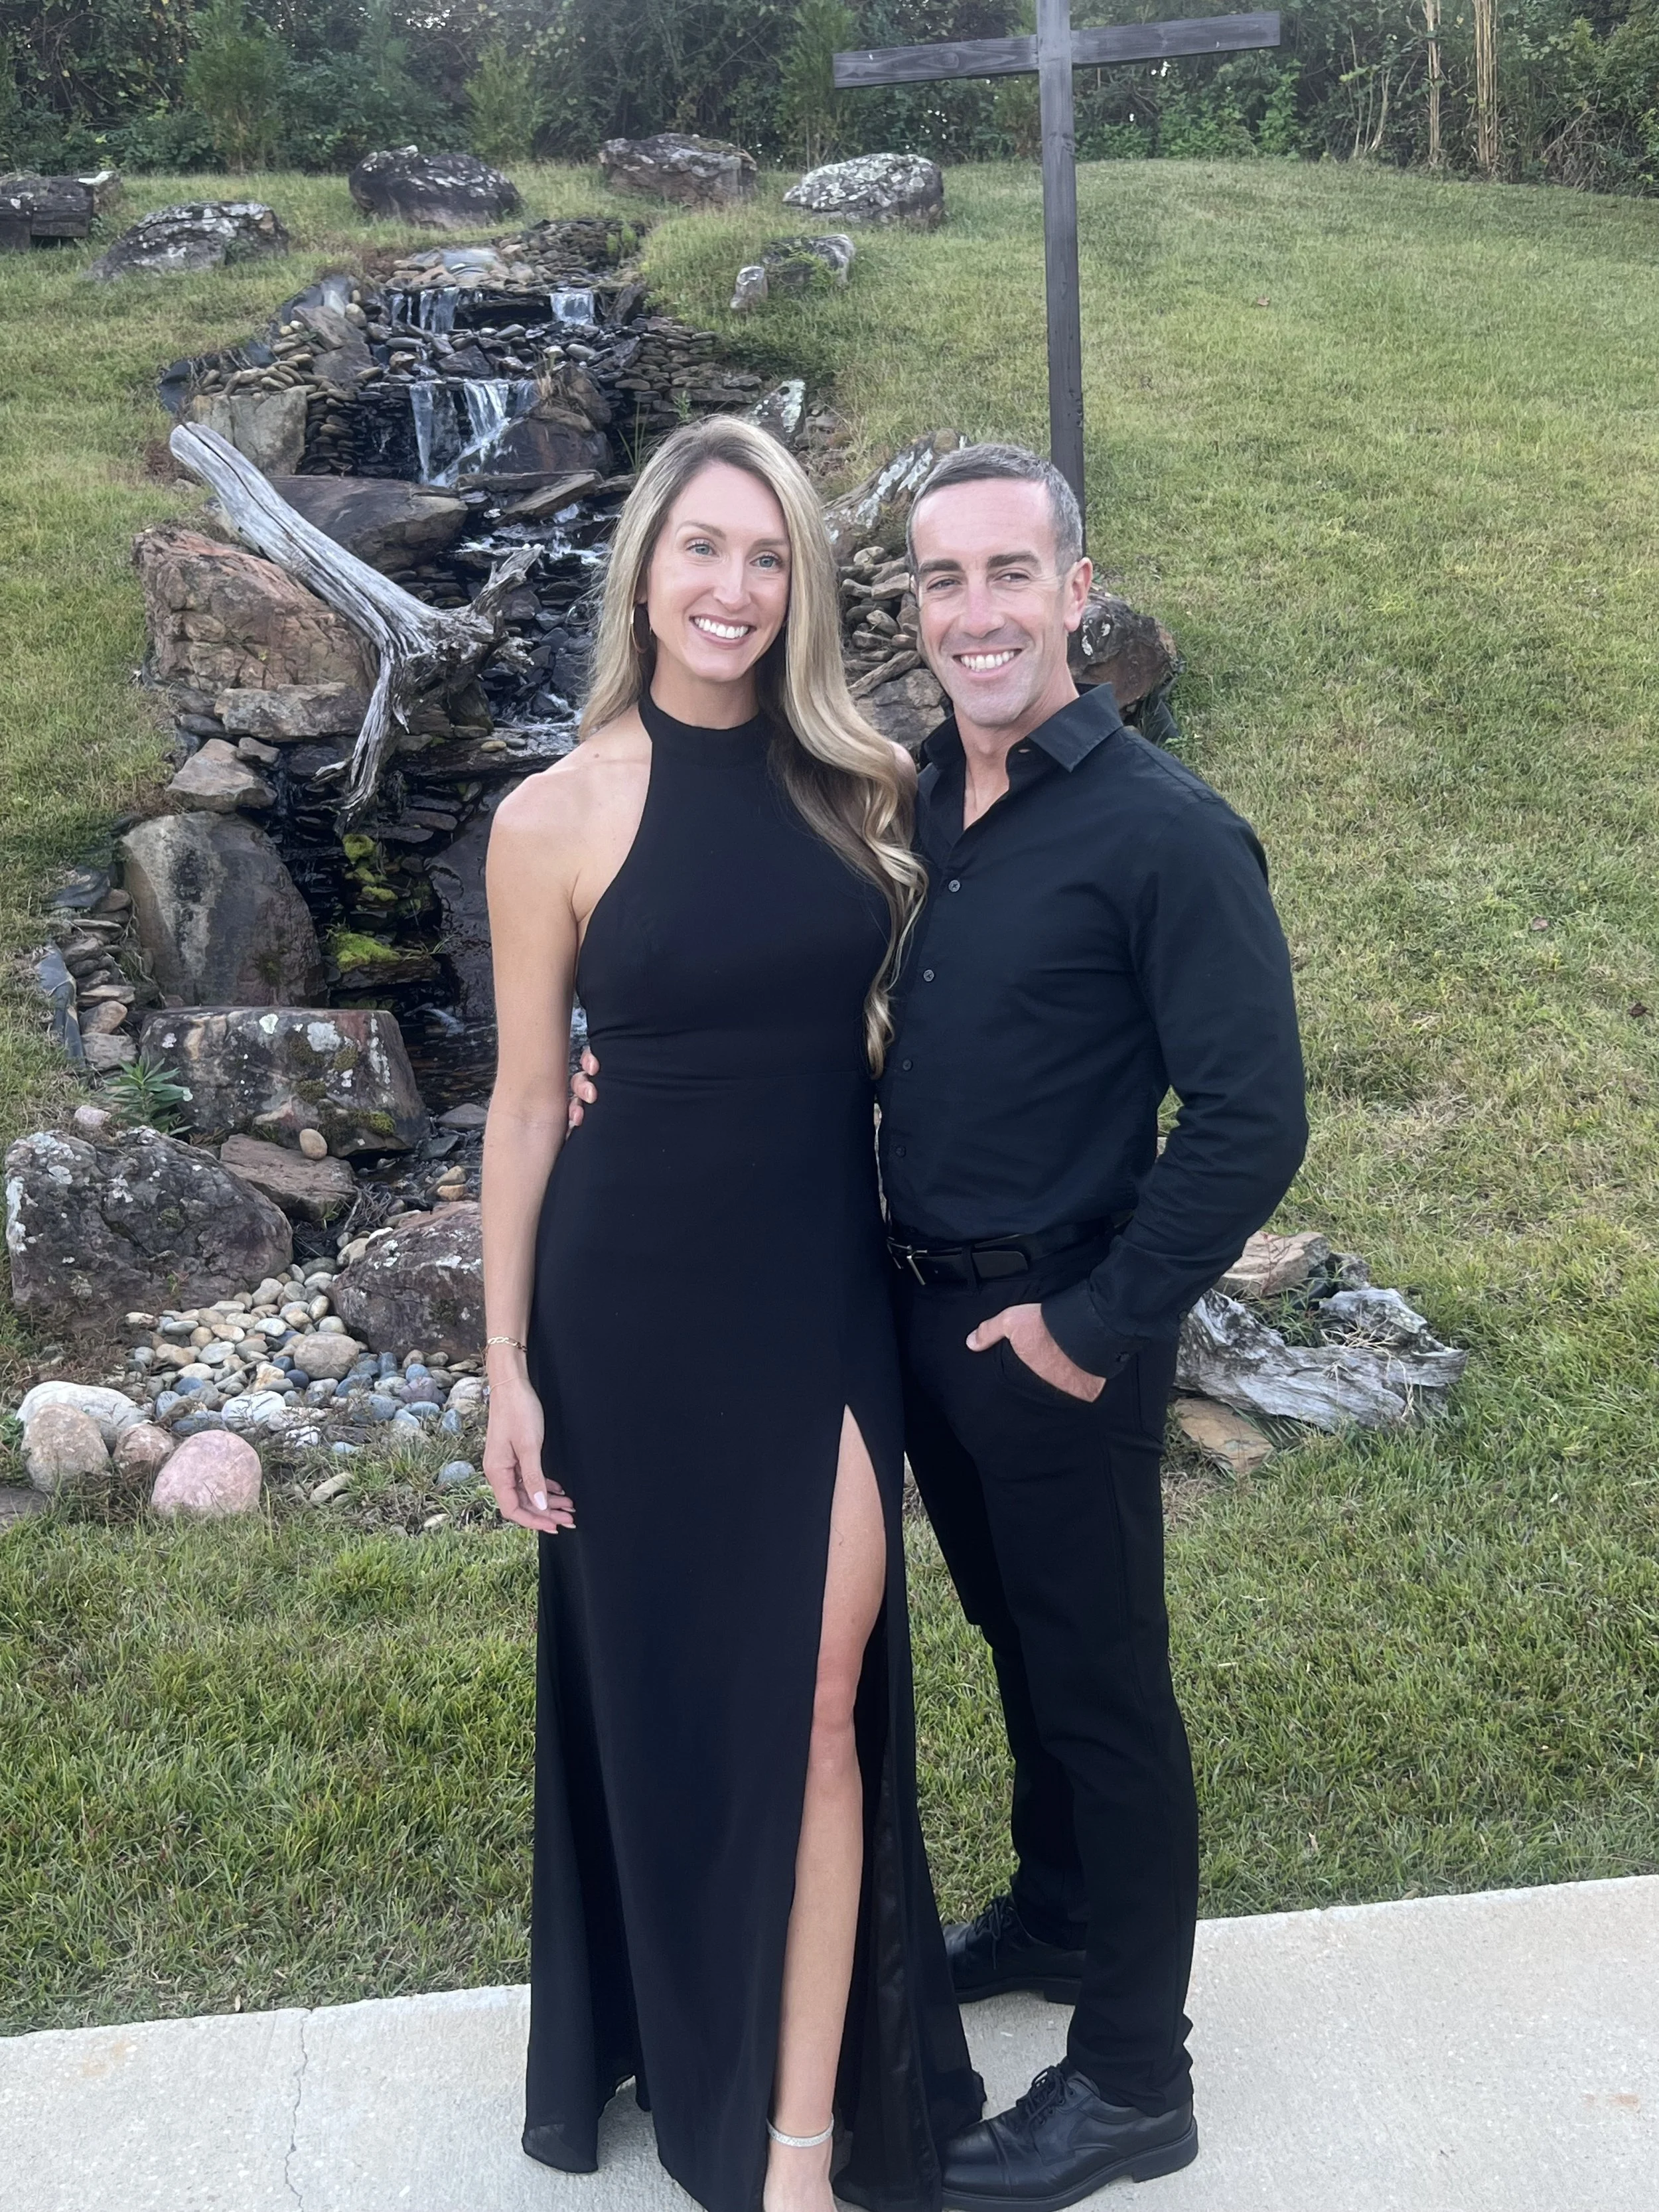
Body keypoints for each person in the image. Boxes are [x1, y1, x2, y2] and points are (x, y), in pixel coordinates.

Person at [574, 441, 1307, 2206]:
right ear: (912, 605)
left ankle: (1137, 2075)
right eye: (940, 578)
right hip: (903, 1324)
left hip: (1052, 1335)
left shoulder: (1165, 831)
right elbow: (764, 961)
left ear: (1074, 591)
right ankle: (1057, 1914)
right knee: (1017, 1649)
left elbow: (1252, 1114)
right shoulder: (909, 798)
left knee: (1102, 1687)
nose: (973, 609)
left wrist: (1098, 1321)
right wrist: (627, 1062)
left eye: (1007, 573)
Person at [478, 414, 983, 2212]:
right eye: (703, 547)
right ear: (644, 566)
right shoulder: (549, 815)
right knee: (680, 1701)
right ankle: (679, 2022)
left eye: (766, 556)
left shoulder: (858, 784)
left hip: (818, 1298)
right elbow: (532, 1102)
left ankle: (790, 2147)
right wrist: (505, 1373)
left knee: (820, 1702)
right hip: (628, 1318)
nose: (734, 586)